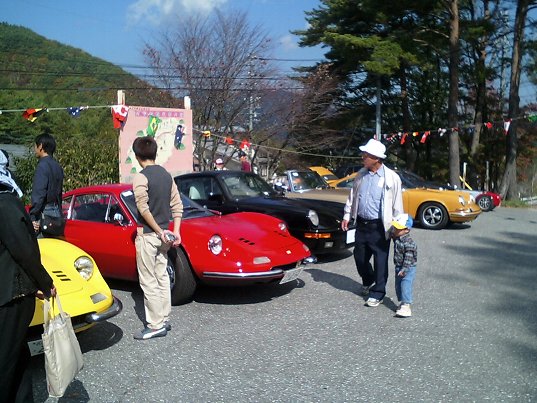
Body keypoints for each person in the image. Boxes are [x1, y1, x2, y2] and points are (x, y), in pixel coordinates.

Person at [0, 159, 56, 403]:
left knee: (8, 359)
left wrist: (43, 283)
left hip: (11, 295)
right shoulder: (6, 202)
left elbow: (23, 251)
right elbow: (23, 249)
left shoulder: (4, 203)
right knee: (13, 357)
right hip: (10, 294)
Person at [341, 138, 403, 307]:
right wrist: (347, 215)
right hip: (362, 224)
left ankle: (378, 292)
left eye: (366, 155)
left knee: (380, 260)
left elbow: (397, 204)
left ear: (376, 158)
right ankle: (368, 280)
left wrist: (398, 228)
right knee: (359, 257)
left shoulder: (392, 178)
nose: (363, 157)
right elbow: (353, 196)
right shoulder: (361, 175)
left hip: (380, 226)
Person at [132, 136, 183, 340]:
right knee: (162, 276)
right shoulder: (166, 175)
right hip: (165, 236)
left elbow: (143, 208)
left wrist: (157, 230)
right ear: (155, 153)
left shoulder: (141, 177)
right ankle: (164, 318)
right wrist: (175, 231)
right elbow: (177, 205)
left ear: (137, 156)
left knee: (148, 280)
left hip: (148, 235)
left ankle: (155, 325)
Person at [29, 133, 64, 236]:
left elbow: (39, 194)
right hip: (56, 211)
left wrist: (32, 216)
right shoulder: (57, 166)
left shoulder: (42, 166)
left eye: (35, 146)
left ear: (40, 146)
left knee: (40, 244)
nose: (35, 149)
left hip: (44, 213)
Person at [390, 213, 417, 318]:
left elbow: (408, 258)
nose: (395, 230)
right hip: (398, 266)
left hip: (408, 268)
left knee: (405, 285)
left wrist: (404, 269)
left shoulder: (409, 243)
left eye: (398, 228)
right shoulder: (398, 238)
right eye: (395, 227)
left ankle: (406, 306)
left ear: (407, 230)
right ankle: (402, 303)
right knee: (398, 285)